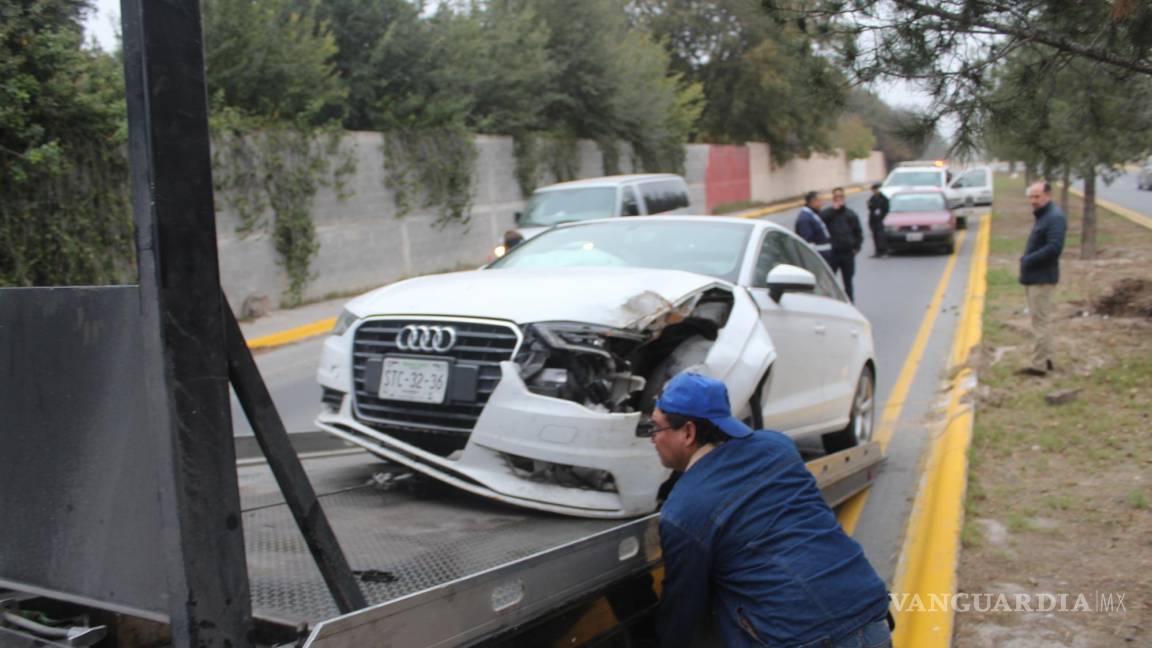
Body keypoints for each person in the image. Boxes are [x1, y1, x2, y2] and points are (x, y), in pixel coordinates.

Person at [646, 372, 892, 648]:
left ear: (688, 432)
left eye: (656, 428)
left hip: (801, 636)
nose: (653, 438)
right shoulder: (778, 446)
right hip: (868, 612)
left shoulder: (682, 511)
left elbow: (682, 609)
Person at [1017, 181, 1067, 376]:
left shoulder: (1055, 217)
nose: (1033, 201)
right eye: (1030, 197)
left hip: (1042, 277)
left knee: (1040, 323)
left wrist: (1028, 260)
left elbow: (1054, 248)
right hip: (1034, 276)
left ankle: (1038, 366)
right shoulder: (1044, 216)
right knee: (1039, 321)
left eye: (1037, 196)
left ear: (1048, 195)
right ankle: (1047, 360)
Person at [820, 187, 864, 301]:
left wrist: (857, 247)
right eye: (836, 197)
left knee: (848, 282)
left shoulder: (850, 214)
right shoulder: (827, 213)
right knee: (830, 280)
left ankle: (850, 304)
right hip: (833, 253)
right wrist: (833, 211)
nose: (839, 199)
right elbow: (821, 224)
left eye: (841, 197)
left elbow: (858, 232)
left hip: (847, 253)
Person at [794, 190, 833, 263]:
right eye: (820, 200)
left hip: (824, 256)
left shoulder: (813, 214)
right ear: (812, 201)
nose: (822, 203)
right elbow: (808, 242)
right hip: (818, 259)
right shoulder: (805, 219)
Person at [866, 183, 890, 257]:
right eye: (873, 190)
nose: (874, 191)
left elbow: (886, 209)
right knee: (875, 236)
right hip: (873, 220)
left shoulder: (883, 198)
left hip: (880, 220)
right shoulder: (872, 198)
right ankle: (877, 252)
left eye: (876, 190)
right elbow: (870, 207)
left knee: (881, 236)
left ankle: (883, 251)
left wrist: (882, 216)